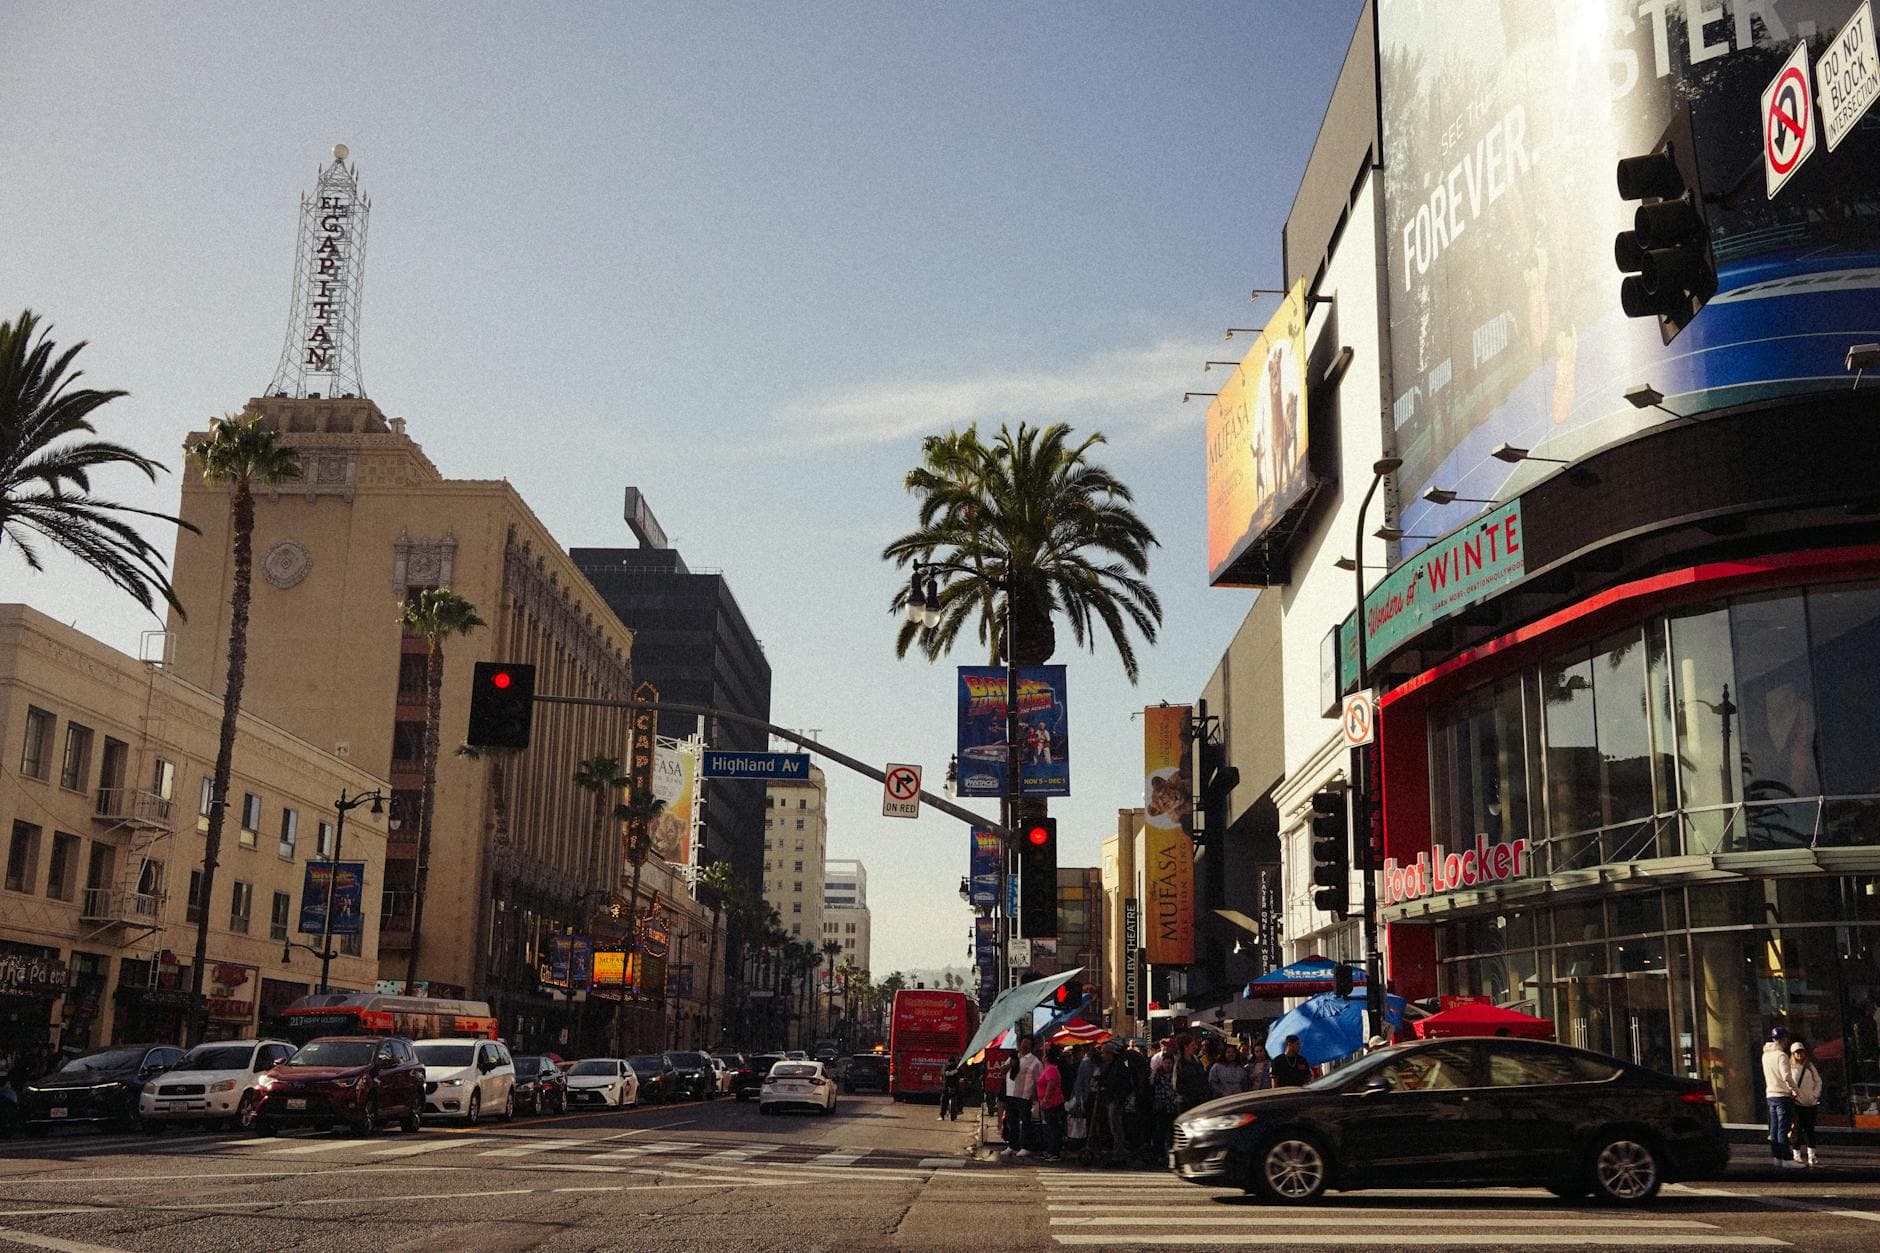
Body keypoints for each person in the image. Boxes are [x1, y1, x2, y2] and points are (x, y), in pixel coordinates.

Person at [1762, 1026, 1801, 1168]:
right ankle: (1787, 1158)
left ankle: (1777, 1157)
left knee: (1774, 1127)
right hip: (1782, 1095)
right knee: (1783, 1128)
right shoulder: (1781, 1056)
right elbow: (1786, 1076)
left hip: (1770, 1094)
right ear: (1783, 1039)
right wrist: (1795, 1090)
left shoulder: (1765, 1055)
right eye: (1786, 1039)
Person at [1001, 1035, 1042, 1159]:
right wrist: (1010, 1064)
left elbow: (1038, 1079)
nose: (1024, 1046)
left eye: (1027, 1044)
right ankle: (1012, 1145)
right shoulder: (1014, 1057)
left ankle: (1026, 1146)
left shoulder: (1035, 1062)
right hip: (1011, 1093)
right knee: (1011, 1121)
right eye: (1022, 1043)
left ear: (1031, 1047)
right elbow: (1003, 1070)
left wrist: (1035, 1095)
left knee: (1025, 1121)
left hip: (1025, 1095)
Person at [1789, 1039, 1822, 1167]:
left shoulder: (1810, 1066)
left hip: (1811, 1103)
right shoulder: (1791, 1068)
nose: (1799, 1054)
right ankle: (1796, 1155)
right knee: (1797, 1130)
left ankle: (1811, 1156)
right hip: (1798, 1103)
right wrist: (1793, 1094)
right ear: (1792, 1054)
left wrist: (1815, 1095)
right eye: (1796, 1052)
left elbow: (1818, 1081)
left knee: (1810, 1130)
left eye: (1801, 1052)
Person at [1036, 1043, 1068, 1162]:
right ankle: (1050, 1150)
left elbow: (1051, 1085)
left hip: (1053, 1103)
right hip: (1049, 1103)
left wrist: (1045, 1099)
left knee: (1054, 1128)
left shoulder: (1051, 1069)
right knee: (1050, 1128)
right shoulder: (1048, 1069)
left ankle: (1054, 1151)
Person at [939, 1055, 963, 1121]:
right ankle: (959, 1110)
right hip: (955, 1086)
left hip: (946, 1086)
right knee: (960, 1097)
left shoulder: (945, 1066)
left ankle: (942, 1115)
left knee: (943, 1100)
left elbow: (943, 1075)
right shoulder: (957, 1067)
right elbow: (962, 1075)